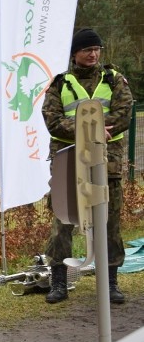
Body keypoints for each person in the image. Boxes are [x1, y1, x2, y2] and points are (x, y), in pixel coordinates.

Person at [42, 27, 133, 304]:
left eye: (96, 50)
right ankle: (58, 282)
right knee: (63, 221)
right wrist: (89, 131)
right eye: (87, 50)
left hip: (108, 161)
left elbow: (123, 114)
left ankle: (110, 283)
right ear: (75, 54)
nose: (93, 54)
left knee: (110, 222)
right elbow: (52, 121)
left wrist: (100, 133)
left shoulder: (115, 80)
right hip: (69, 161)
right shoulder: (60, 84)